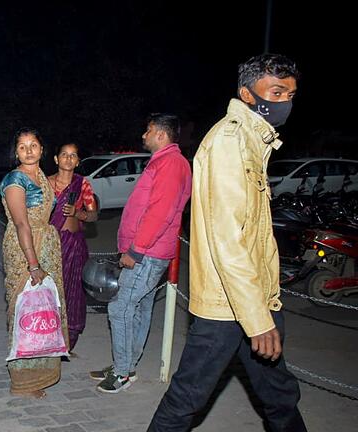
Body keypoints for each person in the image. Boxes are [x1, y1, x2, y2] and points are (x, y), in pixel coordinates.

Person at [149, 54, 306, 431]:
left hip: (252, 297)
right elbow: (228, 239)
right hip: (227, 307)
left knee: (280, 396)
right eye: (277, 92)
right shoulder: (230, 142)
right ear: (247, 94)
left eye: (291, 94)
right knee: (188, 398)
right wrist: (257, 319)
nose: (285, 102)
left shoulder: (254, 142)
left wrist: (261, 307)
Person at [91, 114, 191, 393]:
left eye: (148, 130)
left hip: (147, 253)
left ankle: (122, 372)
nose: (143, 135)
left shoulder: (170, 164)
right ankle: (127, 365)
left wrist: (136, 250)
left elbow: (159, 212)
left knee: (120, 307)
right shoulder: (166, 162)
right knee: (139, 307)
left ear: (161, 134)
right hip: (151, 251)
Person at [0, 127, 69, 399]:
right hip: (24, 248)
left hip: (47, 244)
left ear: (42, 149)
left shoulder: (41, 176)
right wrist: (33, 263)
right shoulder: (15, 180)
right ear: (15, 152)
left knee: (47, 310)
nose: (28, 151)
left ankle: (44, 371)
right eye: (22, 146)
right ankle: (23, 380)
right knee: (25, 310)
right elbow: (21, 224)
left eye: (33, 145)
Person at [47, 142, 98, 355]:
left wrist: (78, 213)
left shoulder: (82, 184)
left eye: (73, 155)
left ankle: (68, 341)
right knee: (50, 292)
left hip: (73, 245)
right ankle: (47, 339)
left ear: (77, 161)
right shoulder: (45, 183)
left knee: (72, 292)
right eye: (64, 155)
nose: (68, 159)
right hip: (50, 245)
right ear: (56, 159)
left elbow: (94, 215)